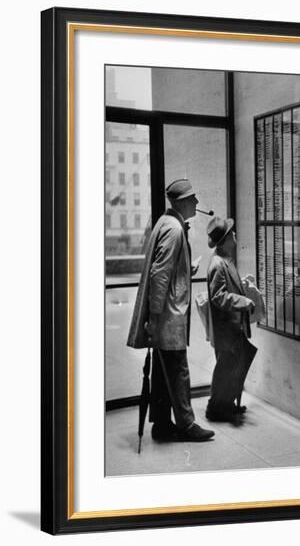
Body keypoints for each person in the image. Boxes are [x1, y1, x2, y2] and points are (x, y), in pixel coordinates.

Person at [127, 179, 215, 442]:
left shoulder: (165, 223)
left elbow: (167, 270)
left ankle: (163, 423)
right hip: (167, 317)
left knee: (163, 373)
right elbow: (159, 275)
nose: (197, 203)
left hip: (165, 315)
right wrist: (154, 320)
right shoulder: (175, 230)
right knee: (178, 371)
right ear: (183, 202)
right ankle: (187, 425)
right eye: (194, 199)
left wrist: (188, 269)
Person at [205, 217, 258, 423]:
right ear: (226, 239)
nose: (235, 235)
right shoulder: (218, 264)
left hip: (231, 326)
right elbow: (219, 296)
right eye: (232, 234)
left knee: (230, 366)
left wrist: (241, 285)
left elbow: (226, 288)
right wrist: (242, 300)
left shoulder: (224, 259)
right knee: (224, 368)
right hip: (226, 327)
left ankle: (225, 405)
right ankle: (216, 408)